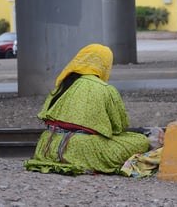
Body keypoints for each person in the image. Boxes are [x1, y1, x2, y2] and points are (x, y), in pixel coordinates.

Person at [24, 44, 150, 175]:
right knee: (140, 140)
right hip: (83, 149)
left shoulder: (62, 85)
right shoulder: (104, 88)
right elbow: (118, 127)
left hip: (47, 147)